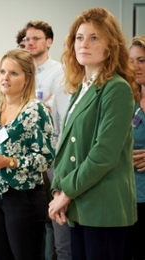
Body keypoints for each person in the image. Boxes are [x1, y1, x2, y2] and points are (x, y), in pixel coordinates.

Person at [48, 7, 139, 260]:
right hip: (82, 202)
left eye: (94, 37)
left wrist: (65, 192)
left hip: (103, 207)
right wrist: (57, 189)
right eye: (79, 37)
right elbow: (67, 146)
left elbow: (104, 154)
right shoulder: (83, 88)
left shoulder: (116, 88)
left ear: (110, 45)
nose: (84, 44)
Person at [0, 49, 55, 260]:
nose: (5, 78)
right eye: (3, 72)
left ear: (27, 79)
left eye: (14, 73)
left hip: (23, 197)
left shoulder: (36, 110)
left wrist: (10, 161)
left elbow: (47, 157)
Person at [24, 19, 67, 260]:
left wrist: (35, 108)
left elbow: (52, 112)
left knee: (52, 218)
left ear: (49, 42)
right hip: (25, 154)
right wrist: (39, 106)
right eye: (27, 39)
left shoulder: (59, 71)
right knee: (33, 218)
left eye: (36, 38)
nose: (30, 42)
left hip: (49, 153)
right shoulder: (23, 70)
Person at [125, 35, 145, 260]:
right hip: (128, 195)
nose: (135, 67)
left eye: (142, 60)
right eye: (131, 61)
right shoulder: (125, 98)